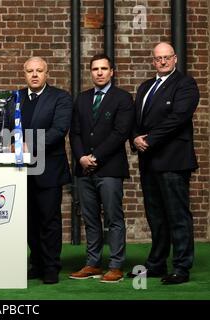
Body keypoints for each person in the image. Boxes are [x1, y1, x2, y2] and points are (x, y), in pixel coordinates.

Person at [129, 42, 200, 285]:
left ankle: (181, 267)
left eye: (166, 57)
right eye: (158, 58)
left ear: (175, 59)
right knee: (155, 216)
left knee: (178, 216)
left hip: (173, 161)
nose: (162, 62)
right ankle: (156, 264)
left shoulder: (185, 84)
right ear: (153, 61)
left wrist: (149, 139)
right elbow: (135, 119)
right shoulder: (146, 86)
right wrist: (135, 138)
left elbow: (178, 118)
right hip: (149, 160)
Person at [6, 57, 73, 284]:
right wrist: (10, 143)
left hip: (49, 169)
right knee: (28, 220)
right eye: (30, 71)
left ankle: (51, 266)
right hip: (20, 170)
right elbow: (6, 127)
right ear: (24, 74)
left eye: (39, 71)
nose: (34, 75)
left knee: (49, 220)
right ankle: (37, 262)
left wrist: (28, 145)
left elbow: (59, 130)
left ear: (47, 73)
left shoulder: (60, 97)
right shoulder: (15, 98)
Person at [69, 54, 134, 283]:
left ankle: (116, 265)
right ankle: (93, 263)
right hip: (84, 169)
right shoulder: (81, 99)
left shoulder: (123, 99)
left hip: (110, 169)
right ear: (91, 72)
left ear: (111, 72)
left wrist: (95, 156)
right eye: (95, 69)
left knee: (113, 218)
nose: (99, 72)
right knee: (90, 219)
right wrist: (81, 158)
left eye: (104, 68)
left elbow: (120, 133)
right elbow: (74, 132)